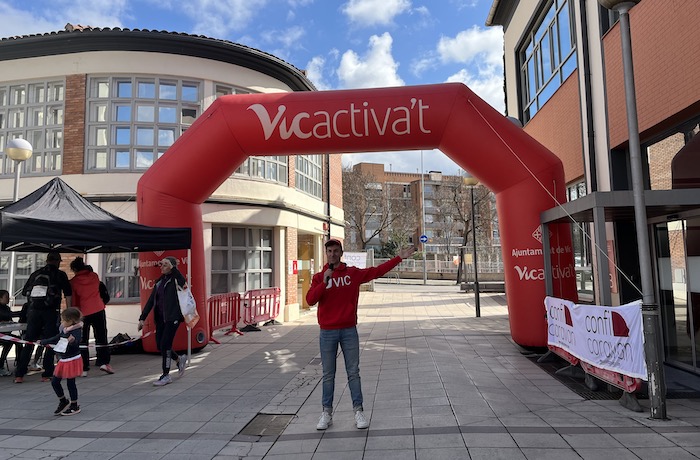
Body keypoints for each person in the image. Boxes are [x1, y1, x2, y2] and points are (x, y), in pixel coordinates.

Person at [306, 239, 416, 430]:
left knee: (353, 373)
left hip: (348, 331)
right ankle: (326, 413)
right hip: (327, 332)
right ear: (326, 253)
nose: (332, 254)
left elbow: (377, 271)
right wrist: (324, 281)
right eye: (329, 251)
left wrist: (400, 258)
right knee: (328, 374)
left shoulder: (352, 274)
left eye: (336, 251)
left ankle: (358, 412)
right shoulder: (319, 277)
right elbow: (310, 300)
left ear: (341, 253)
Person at [14, 251, 72, 384]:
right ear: (58, 261)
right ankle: (46, 374)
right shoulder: (59, 274)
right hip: (50, 312)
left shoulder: (35, 274)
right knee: (50, 342)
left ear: (47, 260)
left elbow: (24, 292)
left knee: (29, 342)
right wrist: (68, 312)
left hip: (33, 312)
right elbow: (68, 293)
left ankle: (19, 375)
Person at [138, 256, 188, 386]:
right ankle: (179, 359)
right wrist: (142, 318)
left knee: (166, 345)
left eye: (165, 264)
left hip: (173, 318)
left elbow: (183, 282)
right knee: (160, 345)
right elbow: (151, 301)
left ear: (171, 266)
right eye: (161, 264)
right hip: (160, 319)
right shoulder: (160, 281)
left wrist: (174, 269)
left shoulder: (175, 280)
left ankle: (166, 375)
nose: (162, 266)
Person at [69, 257, 114, 376]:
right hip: (98, 309)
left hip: (83, 312)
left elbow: (74, 300)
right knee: (101, 335)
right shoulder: (94, 276)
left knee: (83, 340)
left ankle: (84, 368)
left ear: (74, 269)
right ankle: (104, 362)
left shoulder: (73, 282)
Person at [40, 307, 83, 416]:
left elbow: (76, 341)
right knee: (55, 381)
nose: (61, 322)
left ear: (71, 321)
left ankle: (74, 405)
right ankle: (63, 401)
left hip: (72, 359)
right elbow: (57, 337)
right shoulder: (65, 329)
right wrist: (44, 341)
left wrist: (72, 341)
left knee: (70, 383)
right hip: (63, 359)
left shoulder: (76, 330)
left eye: (63, 320)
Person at [0, 289, 22, 377]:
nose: (8, 299)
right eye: (6, 297)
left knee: (19, 341)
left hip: (6, 333)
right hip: (1, 334)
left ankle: (19, 362)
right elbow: (8, 315)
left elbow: (10, 318)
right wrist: (22, 313)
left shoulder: (7, 307)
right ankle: (1, 364)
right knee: (8, 342)